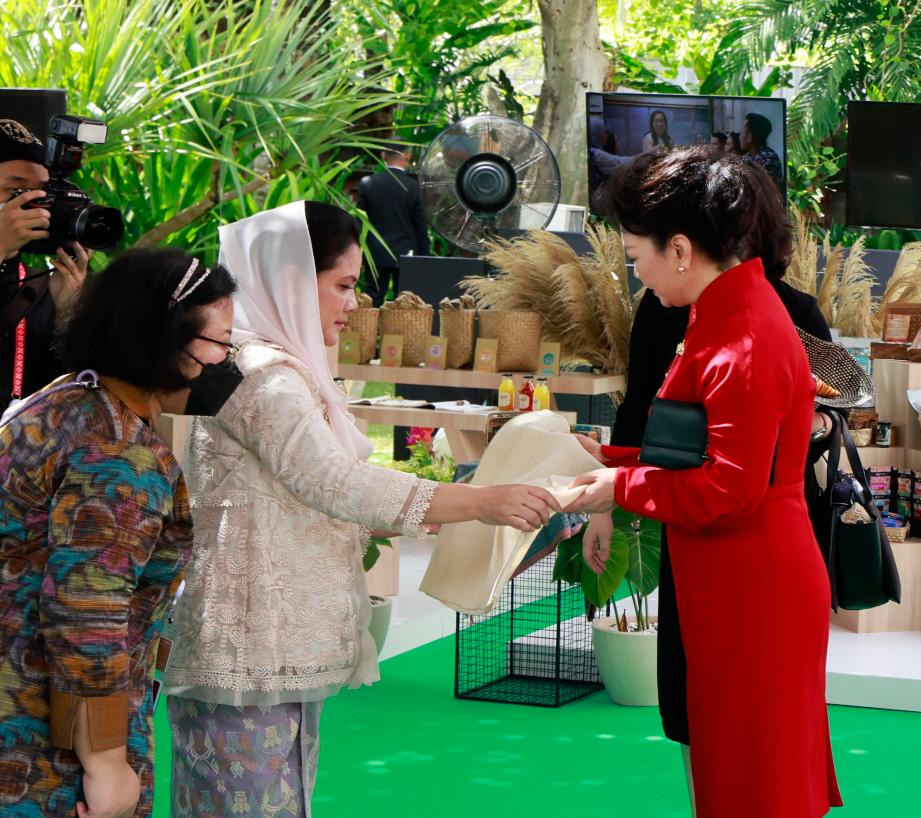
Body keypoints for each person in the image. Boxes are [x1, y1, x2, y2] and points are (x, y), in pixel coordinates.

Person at [164, 200, 560, 816]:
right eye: (343, 285)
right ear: (293, 279)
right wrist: (481, 501)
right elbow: (335, 483)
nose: (355, 304)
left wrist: (463, 501)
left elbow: (318, 493)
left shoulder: (267, 366)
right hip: (248, 648)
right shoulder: (264, 377)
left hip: (263, 646)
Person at [567, 148, 842, 818]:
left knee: (755, 785)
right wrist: (613, 460)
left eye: (636, 255)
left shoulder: (741, 332)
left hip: (753, 579)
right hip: (735, 573)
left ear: (681, 250)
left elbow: (726, 488)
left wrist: (617, 488)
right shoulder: (725, 312)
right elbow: (697, 448)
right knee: (738, 773)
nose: (636, 271)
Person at [0, 247, 238, 818]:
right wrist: (106, 762)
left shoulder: (68, 398)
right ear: (167, 339)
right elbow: (86, 612)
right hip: (41, 742)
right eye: (221, 342)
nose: (226, 360)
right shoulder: (119, 453)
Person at [0, 118, 90, 412]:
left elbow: (72, 395)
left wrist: (68, 313)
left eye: (42, 192)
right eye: (15, 190)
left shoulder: (40, 286)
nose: (34, 204)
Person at [357, 144, 431, 306]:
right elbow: (420, 226)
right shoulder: (413, 187)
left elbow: (359, 221)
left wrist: (358, 251)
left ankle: (368, 323)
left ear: (383, 155)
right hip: (406, 254)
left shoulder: (368, 183)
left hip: (375, 253)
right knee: (404, 299)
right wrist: (424, 257)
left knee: (372, 298)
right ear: (407, 155)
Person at [741, 112, 785, 190]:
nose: (740, 137)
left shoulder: (769, 159)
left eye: (742, 133)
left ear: (750, 136)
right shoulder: (748, 156)